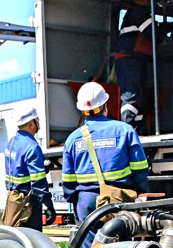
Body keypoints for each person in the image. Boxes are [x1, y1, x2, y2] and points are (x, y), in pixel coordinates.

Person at [62, 82, 149, 222]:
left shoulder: (73, 139)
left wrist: (76, 200)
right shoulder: (125, 130)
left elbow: (68, 181)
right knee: (121, 243)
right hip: (119, 199)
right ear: (105, 105)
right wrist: (140, 191)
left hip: (86, 200)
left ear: (82, 110)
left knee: (90, 244)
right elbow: (140, 169)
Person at [2, 109, 55, 231]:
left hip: (13, 198)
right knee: (32, 239)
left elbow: (18, 169)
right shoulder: (32, 146)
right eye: (37, 120)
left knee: (16, 236)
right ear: (31, 123)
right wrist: (49, 205)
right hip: (29, 202)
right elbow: (38, 182)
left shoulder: (11, 143)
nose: (39, 122)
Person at [114, 0, 155, 129]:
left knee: (139, 98)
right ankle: (127, 130)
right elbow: (153, 33)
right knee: (131, 97)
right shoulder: (140, 12)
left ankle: (135, 129)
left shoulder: (133, 14)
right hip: (129, 62)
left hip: (134, 61)